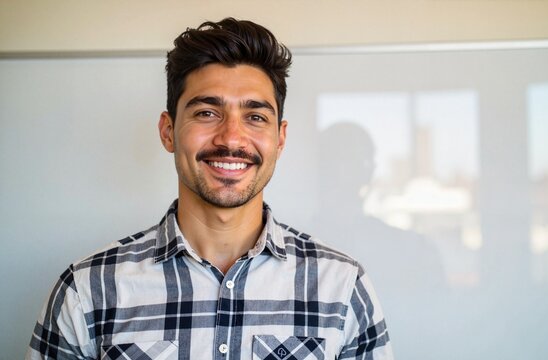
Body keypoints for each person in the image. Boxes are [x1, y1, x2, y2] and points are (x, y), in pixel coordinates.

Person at [26, 18, 392, 359]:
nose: (231, 137)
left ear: (279, 140)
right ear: (168, 131)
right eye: (206, 113)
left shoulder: (342, 289)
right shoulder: (87, 291)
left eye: (255, 117)